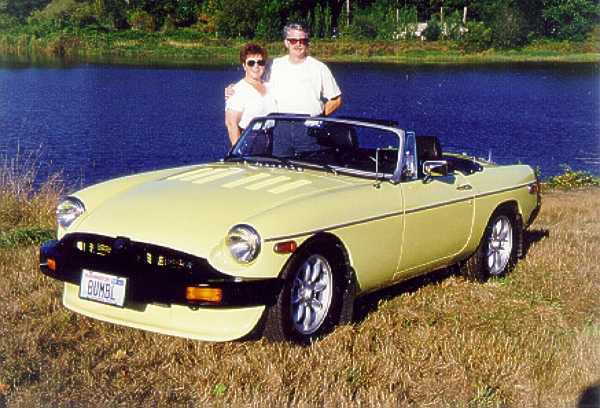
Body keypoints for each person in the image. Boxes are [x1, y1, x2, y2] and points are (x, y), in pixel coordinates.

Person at [225, 22, 342, 117]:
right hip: (279, 129)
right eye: (293, 40)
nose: (298, 44)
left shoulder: (319, 68)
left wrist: (319, 117)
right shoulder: (273, 65)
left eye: (303, 41)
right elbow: (253, 77)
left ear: (307, 43)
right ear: (286, 42)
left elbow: (336, 99)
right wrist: (234, 89)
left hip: (310, 130)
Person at [225, 43, 276, 146]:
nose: (256, 66)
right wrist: (238, 152)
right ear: (244, 66)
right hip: (249, 142)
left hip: (271, 139)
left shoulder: (270, 86)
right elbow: (231, 124)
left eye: (260, 62)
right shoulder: (237, 91)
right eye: (251, 63)